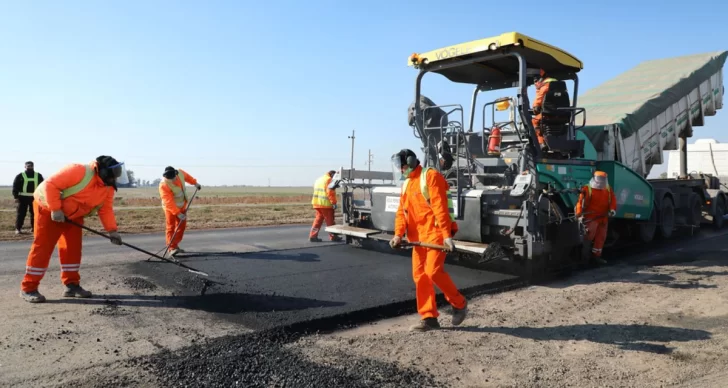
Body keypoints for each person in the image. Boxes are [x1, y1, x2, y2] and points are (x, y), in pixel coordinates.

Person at [20, 156, 127, 303]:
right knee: (43, 248)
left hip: (73, 215)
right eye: (113, 173)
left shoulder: (107, 187)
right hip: (48, 209)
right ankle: (28, 288)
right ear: (102, 172)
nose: (115, 178)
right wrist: (55, 209)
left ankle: (72, 285)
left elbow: (105, 209)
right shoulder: (78, 171)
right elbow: (50, 185)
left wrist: (112, 231)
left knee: (73, 249)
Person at [389, 149, 468, 332]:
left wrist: (447, 236)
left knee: (433, 272)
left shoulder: (430, 177)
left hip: (435, 234)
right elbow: (402, 212)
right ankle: (429, 318)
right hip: (417, 238)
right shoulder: (407, 184)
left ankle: (459, 303)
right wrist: (398, 234)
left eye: (402, 167)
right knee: (420, 277)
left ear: (410, 161)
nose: (401, 171)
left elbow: (440, 207)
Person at [575, 170, 617, 265]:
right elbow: (580, 202)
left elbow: (613, 201)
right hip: (591, 218)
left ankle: (596, 257)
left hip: (603, 218)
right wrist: (579, 214)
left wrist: (612, 209)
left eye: (603, 179)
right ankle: (584, 259)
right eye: (599, 179)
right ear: (594, 179)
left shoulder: (608, 189)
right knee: (588, 237)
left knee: (601, 238)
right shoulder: (587, 188)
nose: (601, 181)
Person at [159, 166, 201, 257]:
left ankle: (175, 245)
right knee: (171, 227)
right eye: (172, 179)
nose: (174, 180)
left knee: (181, 226)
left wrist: (195, 183)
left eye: (174, 177)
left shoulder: (180, 173)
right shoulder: (164, 185)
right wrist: (177, 213)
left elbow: (187, 177)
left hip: (182, 205)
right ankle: (171, 248)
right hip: (170, 209)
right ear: (167, 177)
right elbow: (168, 202)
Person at [309, 170, 342, 242]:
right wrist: (333, 203)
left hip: (317, 203)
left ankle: (313, 235)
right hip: (325, 204)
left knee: (318, 220)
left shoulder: (319, 179)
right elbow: (330, 192)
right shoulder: (329, 180)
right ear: (332, 175)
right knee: (330, 221)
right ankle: (333, 236)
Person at [12, 161, 44, 234]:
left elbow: (42, 186)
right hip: (22, 198)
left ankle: (34, 228)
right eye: (28, 166)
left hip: (35, 198)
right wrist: (16, 197)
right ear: (25, 166)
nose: (29, 167)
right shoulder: (20, 176)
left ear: (33, 166)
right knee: (21, 214)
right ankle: (18, 228)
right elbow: (15, 186)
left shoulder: (38, 175)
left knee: (35, 214)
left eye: (30, 166)